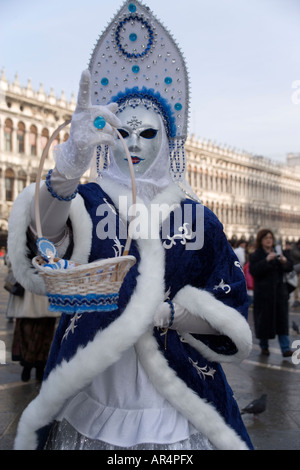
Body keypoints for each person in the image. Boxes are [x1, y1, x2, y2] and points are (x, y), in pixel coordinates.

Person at [8, 0, 253, 451]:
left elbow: (230, 305)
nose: (134, 145)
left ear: (169, 140)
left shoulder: (197, 216)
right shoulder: (88, 197)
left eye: (147, 134)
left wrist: (169, 314)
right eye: (124, 133)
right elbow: (49, 238)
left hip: (175, 385)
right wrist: (69, 167)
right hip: (96, 377)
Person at [5, 256, 60, 382]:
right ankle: (27, 366)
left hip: (45, 290)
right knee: (26, 333)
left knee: (45, 333)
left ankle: (39, 366)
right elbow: (11, 259)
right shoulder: (20, 237)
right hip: (28, 291)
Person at [249, 229, 294, 357]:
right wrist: (266, 260)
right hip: (264, 295)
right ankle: (264, 346)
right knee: (264, 321)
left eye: (270, 238)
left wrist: (284, 261)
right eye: (266, 238)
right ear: (261, 240)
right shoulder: (256, 255)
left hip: (279, 294)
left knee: (282, 321)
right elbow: (254, 271)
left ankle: (285, 349)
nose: (269, 240)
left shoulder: (279, 252)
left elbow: (290, 266)